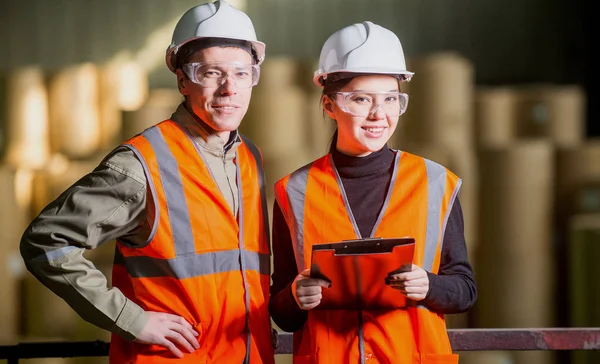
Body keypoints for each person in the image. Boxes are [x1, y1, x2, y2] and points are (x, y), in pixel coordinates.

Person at [20, 1, 275, 363]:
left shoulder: (249, 157)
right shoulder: (141, 165)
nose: (229, 88)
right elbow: (46, 241)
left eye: (241, 72)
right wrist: (132, 320)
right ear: (183, 79)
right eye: (211, 73)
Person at [269, 21, 477, 364]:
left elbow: (465, 290)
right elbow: (283, 314)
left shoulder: (435, 182)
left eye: (391, 99)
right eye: (361, 99)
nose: (379, 114)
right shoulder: (294, 191)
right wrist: (295, 296)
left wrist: (429, 286)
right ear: (328, 105)